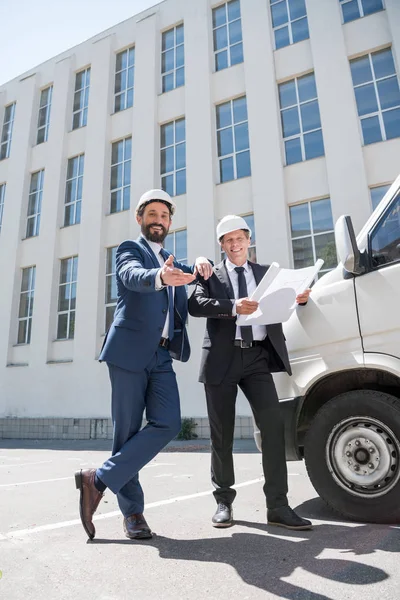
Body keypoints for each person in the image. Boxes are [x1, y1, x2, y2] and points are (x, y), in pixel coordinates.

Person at [75, 189, 212, 541]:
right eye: (152, 214)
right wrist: (160, 278)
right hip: (129, 351)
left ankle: (98, 479)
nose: (158, 220)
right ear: (140, 218)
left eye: (164, 216)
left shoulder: (171, 258)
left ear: (169, 223)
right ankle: (133, 513)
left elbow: (194, 277)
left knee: (167, 423)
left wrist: (200, 263)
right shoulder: (129, 249)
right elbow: (132, 276)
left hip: (162, 355)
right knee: (127, 434)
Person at [188, 214, 312, 531]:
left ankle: (278, 506)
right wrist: (232, 305)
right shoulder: (209, 273)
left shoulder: (267, 273)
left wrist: (299, 299)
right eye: (228, 240)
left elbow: (282, 307)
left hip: (257, 358)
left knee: (273, 427)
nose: (235, 244)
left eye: (239, 238)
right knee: (222, 434)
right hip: (221, 359)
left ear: (248, 239)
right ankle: (223, 502)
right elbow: (196, 305)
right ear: (222, 245)